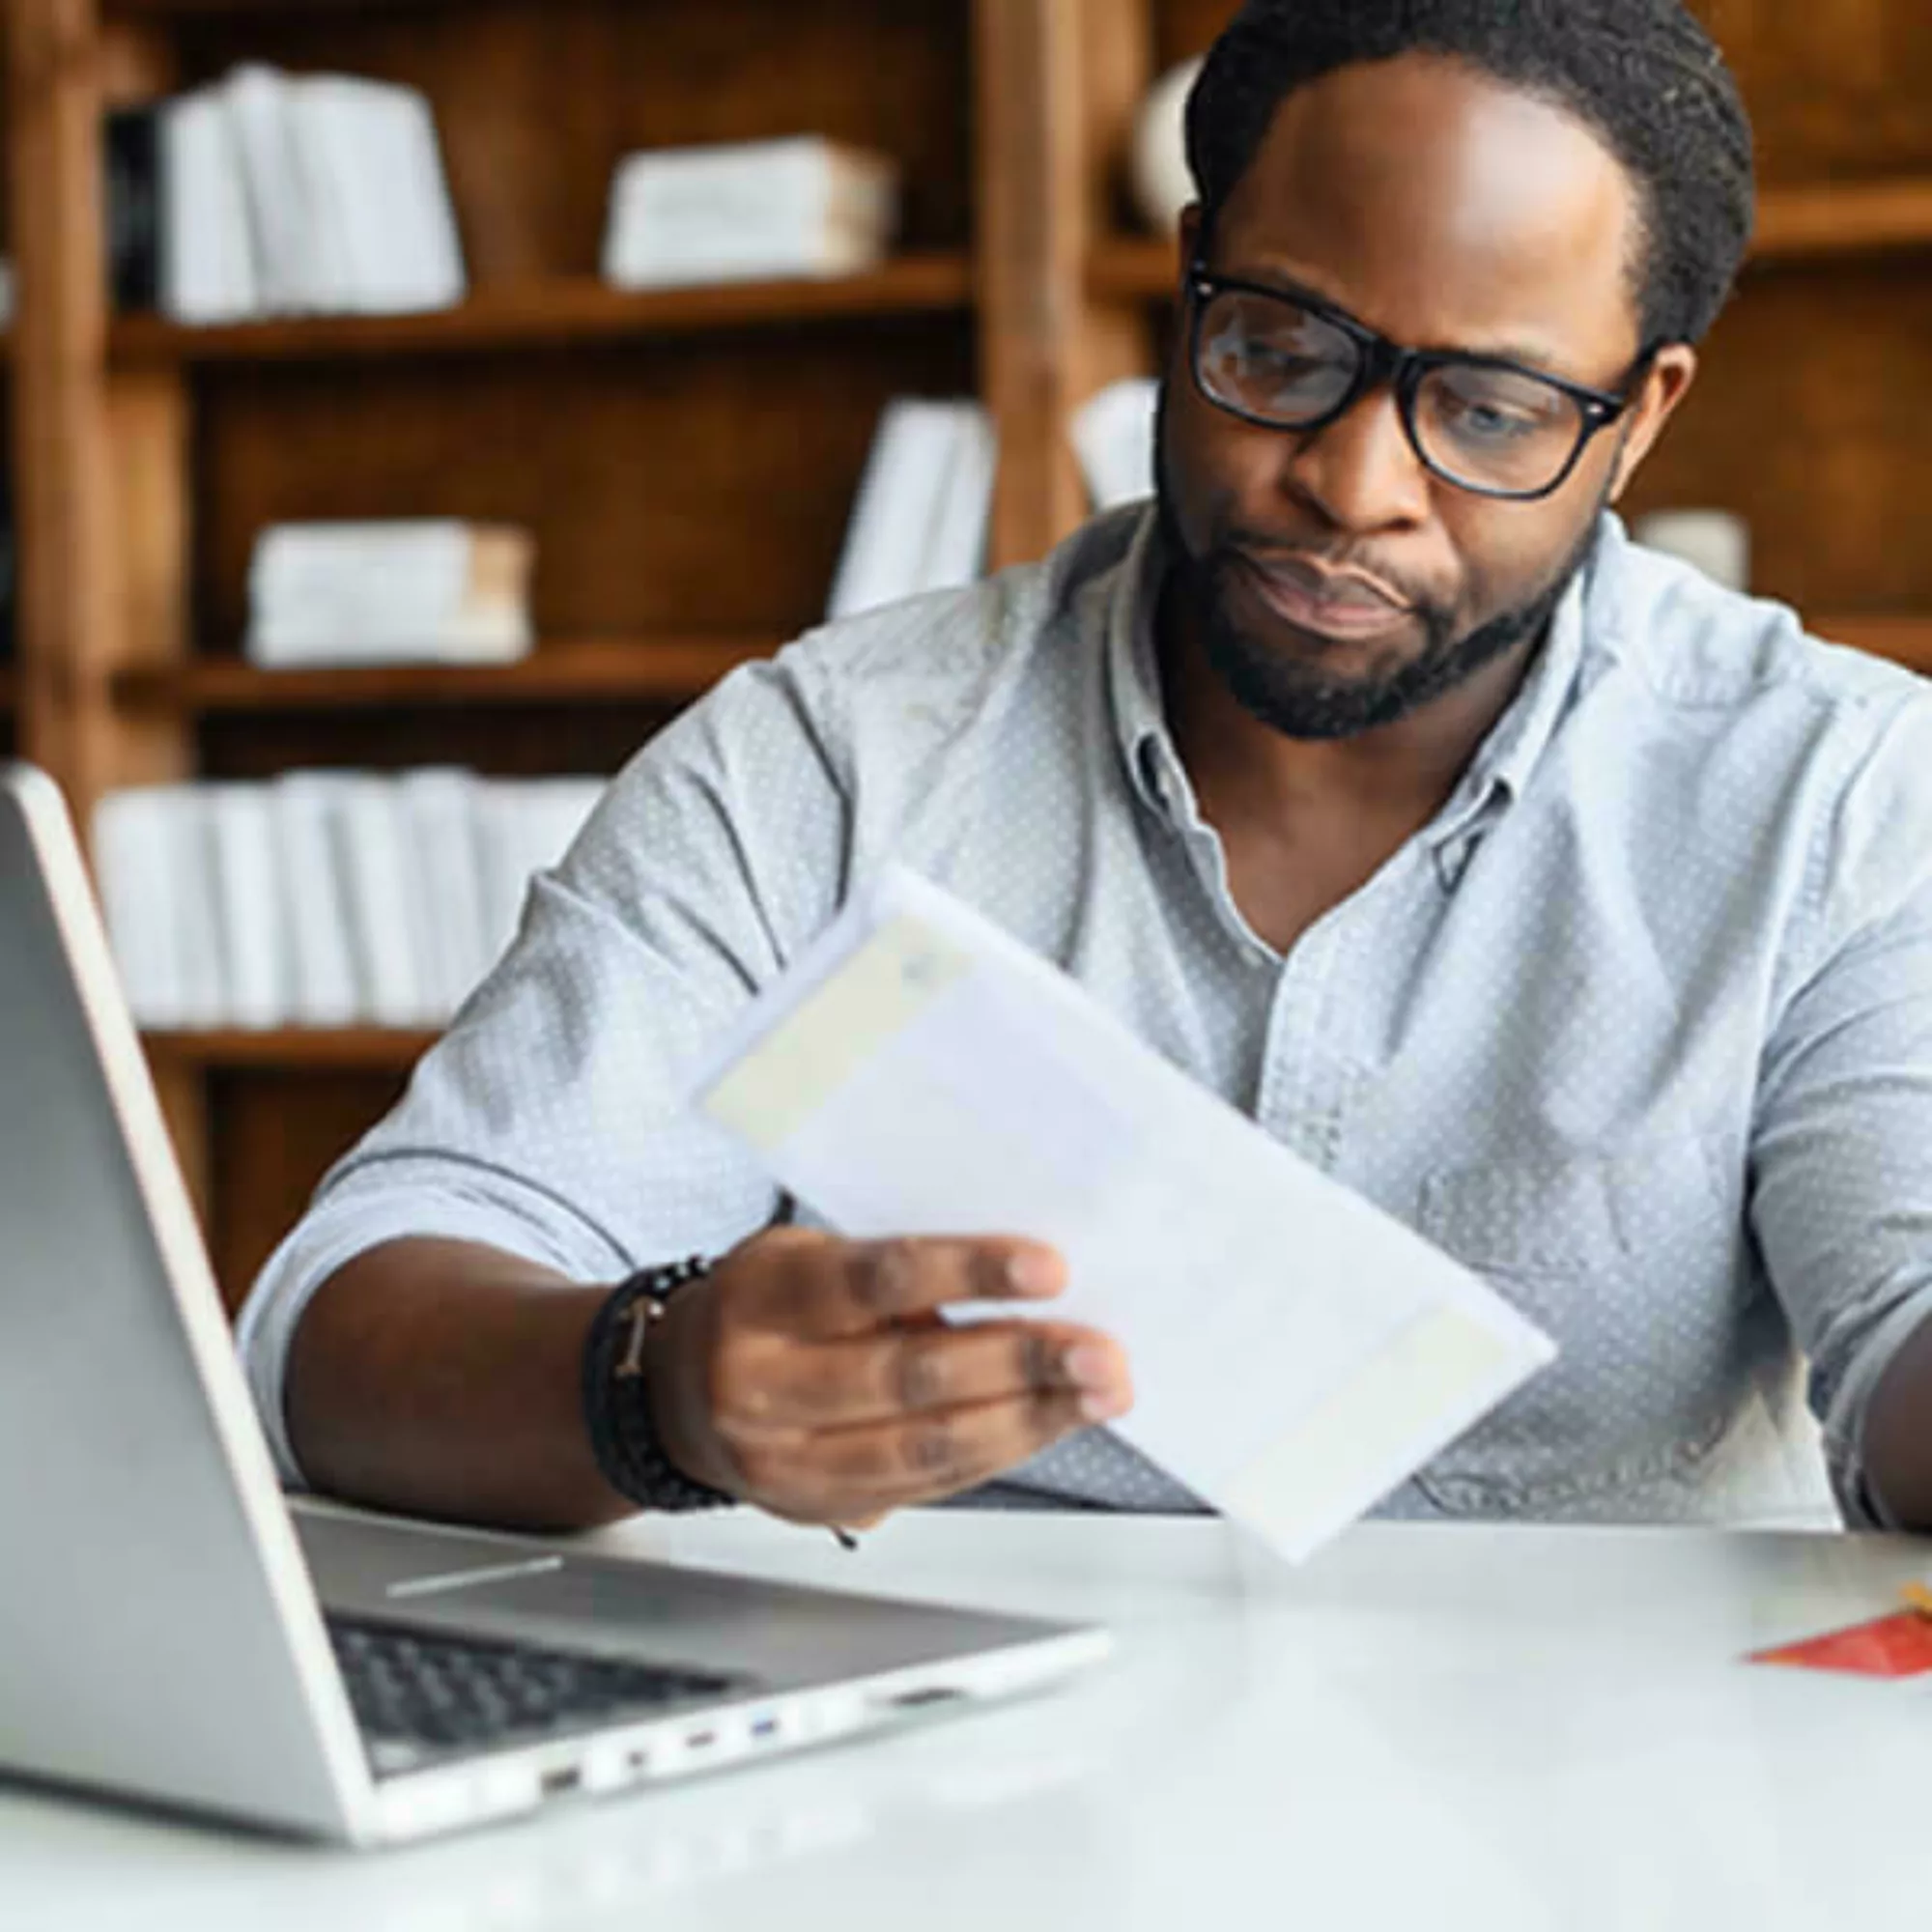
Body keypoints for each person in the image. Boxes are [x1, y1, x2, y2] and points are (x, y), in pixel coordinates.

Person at [240, 0, 1932, 1541]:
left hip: (1607, 1841)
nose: (1351, 482)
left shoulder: (1831, 796)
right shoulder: (829, 767)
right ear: (1192, 273)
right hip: (952, 1824)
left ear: (1642, 416)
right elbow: (346, 1327)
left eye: (1489, 413)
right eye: (1281, 347)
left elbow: (1908, 1321)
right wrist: (654, 1384)